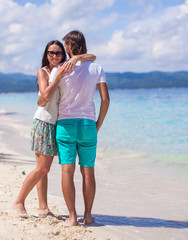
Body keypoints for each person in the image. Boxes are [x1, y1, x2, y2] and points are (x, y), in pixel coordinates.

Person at [13, 40, 96, 218]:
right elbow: (44, 97)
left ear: (63, 55)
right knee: (43, 169)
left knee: (44, 169)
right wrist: (57, 77)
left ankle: (43, 208)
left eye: (59, 53)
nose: (55, 56)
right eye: (51, 53)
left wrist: (77, 58)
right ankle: (19, 201)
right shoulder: (43, 72)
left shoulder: (66, 68)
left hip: (58, 124)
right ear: (46, 54)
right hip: (43, 123)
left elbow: (93, 57)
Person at [40, 30, 110, 226]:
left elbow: (47, 95)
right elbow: (105, 100)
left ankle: (72, 217)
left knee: (67, 172)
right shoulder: (97, 68)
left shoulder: (59, 69)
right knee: (88, 171)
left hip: (66, 124)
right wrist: (98, 124)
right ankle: (88, 216)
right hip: (88, 123)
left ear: (70, 46)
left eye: (65, 46)